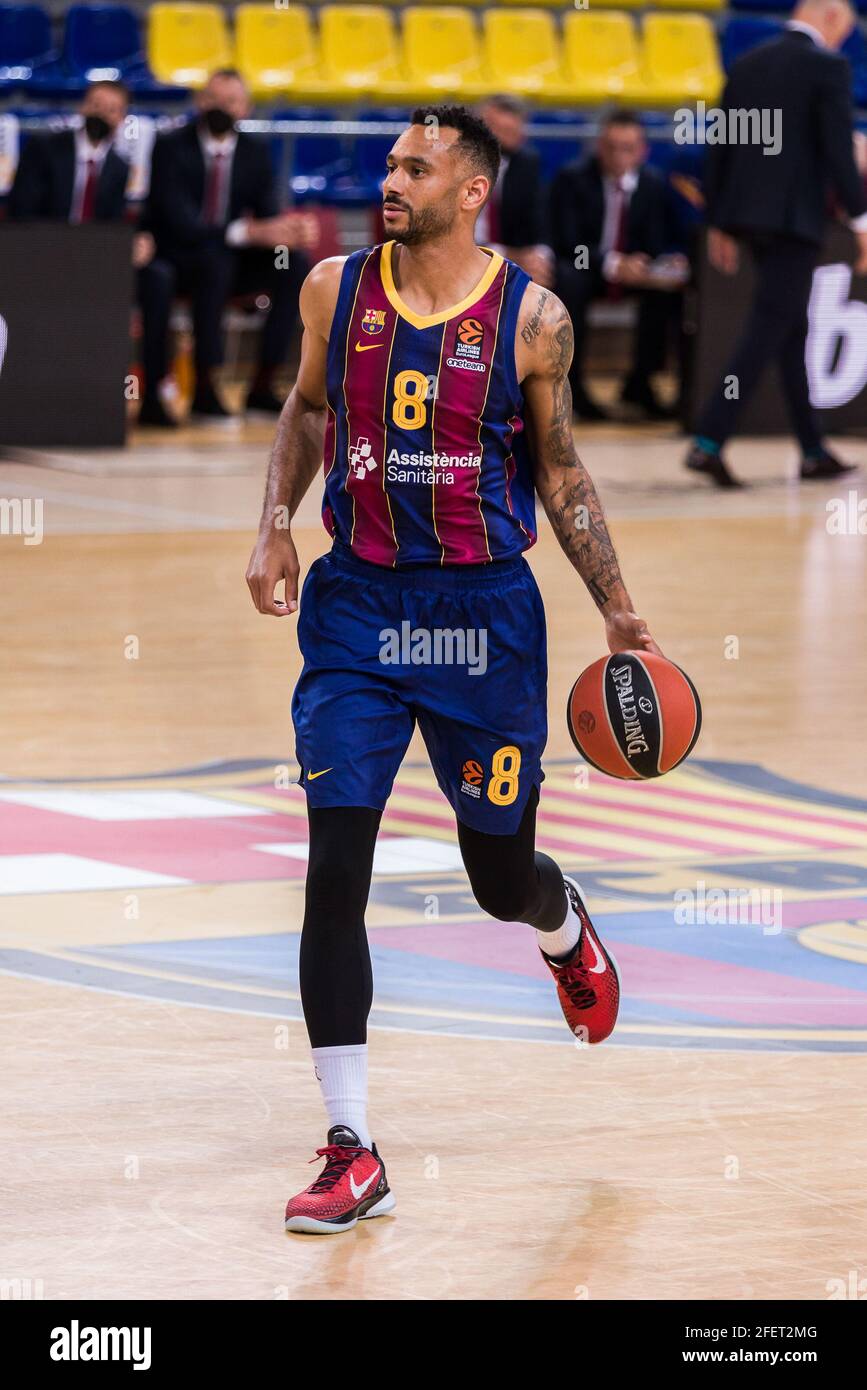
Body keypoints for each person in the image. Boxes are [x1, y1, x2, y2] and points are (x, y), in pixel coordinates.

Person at [246, 105, 660, 1234]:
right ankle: (351, 1143)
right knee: (336, 864)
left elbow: (564, 474)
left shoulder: (535, 321)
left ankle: (559, 923)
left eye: (416, 167)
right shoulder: (334, 289)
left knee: (496, 876)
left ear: (473, 191)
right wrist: (276, 521)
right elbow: (304, 410)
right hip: (357, 613)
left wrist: (618, 610)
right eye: (388, 160)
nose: (393, 177)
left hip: (485, 622)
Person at [687, 0, 867, 487]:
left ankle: (812, 449)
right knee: (768, 329)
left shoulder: (747, 63)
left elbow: (720, 146)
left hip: (748, 218)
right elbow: (836, 151)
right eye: (843, 32)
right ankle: (709, 439)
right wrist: (861, 217)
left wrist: (719, 222)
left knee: (789, 329)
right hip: (794, 222)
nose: (841, 42)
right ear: (830, 18)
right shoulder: (828, 67)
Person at [138, 69, 314, 427]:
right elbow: (179, 221)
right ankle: (205, 387)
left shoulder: (255, 152)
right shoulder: (171, 146)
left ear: (245, 108)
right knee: (215, 262)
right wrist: (246, 233)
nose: (220, 108)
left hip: (231, 260)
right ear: (200, 101)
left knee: (292, 265)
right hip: (179, 256)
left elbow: (266, 214)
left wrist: (286, 231)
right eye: (213, 99)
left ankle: (263, 384)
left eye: (231, 102)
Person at [550, 109, 686, 422]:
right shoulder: (572, 179)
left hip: (633, 273)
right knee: (571, 281)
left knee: (669, 292)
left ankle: (641, 383)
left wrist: (661, 262)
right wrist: (612, 263)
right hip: (588, 268)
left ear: (642, 151)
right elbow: (569, 242)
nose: (618, 156)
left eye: (627, 148)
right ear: (599, 147)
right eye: (611, 147)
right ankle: (574, 388)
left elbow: (662, 239)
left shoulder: (653, 184)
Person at [8, 79, 151, 270]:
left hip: (92, 254)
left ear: (122, 118)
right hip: (43, 246)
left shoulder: (119, 168)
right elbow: (23, 209)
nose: (101, 115)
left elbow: (113, 225)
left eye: (111, 110)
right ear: (82, 107)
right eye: (96, 105)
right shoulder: (44, 149)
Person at [476, 95, 554, 289]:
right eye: (492, 129)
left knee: (564, 275)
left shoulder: (528, 165)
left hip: (509, 256)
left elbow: (539, 224)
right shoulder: (456, 165)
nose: (497, 140)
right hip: (464, 255)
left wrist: (539, 258)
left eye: (508, 132)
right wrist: (512, 256)